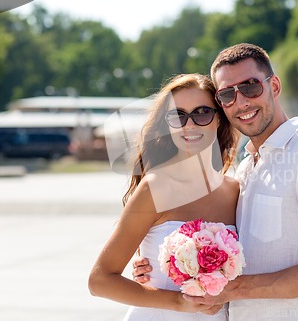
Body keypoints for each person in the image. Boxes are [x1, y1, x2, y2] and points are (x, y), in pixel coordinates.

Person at [133, 43, 298, 320]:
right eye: (227, 94)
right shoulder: (245, 170)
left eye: (251, 86)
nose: (241, 102)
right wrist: (162, 264)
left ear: (274, 86)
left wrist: (233, 290)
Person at [88, 73, 240, 320]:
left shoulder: (235, 191)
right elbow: (100, 280)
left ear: (219, 119)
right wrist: (179, 302)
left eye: (202, 113)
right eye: (178, 115)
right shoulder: (156, 187)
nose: (189, 125)